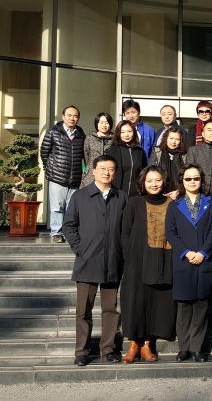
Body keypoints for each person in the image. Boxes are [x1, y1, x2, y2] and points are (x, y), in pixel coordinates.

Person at [62, 154, 127, 366]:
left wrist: (122, 251)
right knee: (83, 310)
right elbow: (69, 226)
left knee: (110, 309)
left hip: (113, 260)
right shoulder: (80, 196)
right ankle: (82, 350)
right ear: (93, 171)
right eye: (102, 169)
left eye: (111, 169)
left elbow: (126, 229)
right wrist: (80, 249)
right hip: (87, 260)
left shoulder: (121, 197)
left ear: (115, 173)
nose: (106, 172)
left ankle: (108, 348)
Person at [119, 166, 177, 363]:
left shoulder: (172, 203)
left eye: (158, 180)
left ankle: (146, 344)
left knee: (155, 302)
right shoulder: (134, 202)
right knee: (135, 301)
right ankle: (133, 344)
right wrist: (128, 255)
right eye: (149, 180)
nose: (154, 184)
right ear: (143, 182)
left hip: (164, 257)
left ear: (164, 182)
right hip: (137, 260)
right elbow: (125, 231)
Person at [165, 164, 212, 363]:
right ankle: (184, 348)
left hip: (204, 260)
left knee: (200, 306)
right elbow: (171, 232)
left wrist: (203, 252)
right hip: (184, 261)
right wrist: (187, 252)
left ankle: (197, 348)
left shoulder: (211, 203)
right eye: (188, 178)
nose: (192, 182)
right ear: (182, 181)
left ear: (201, 180)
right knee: (184, 306)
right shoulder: (174, 206)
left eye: (196, 178)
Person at [40, 105, 86, 243]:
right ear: (63, 116)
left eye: (75, 116)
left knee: (71, 207)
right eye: (69, 115)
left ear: (78, 118)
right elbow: (44, 152)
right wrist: (51, 167)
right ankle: (56, 232)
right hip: (57, 176)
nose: (72, 118)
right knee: (57, 207)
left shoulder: (80, 134)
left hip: (75, 177)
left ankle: (68, 232)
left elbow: (84, 155)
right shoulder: (54, 132)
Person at [186, 119, 212, 202]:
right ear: (203, 134)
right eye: (209, 130)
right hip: (198, 193)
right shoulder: (193, 151)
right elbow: (188, 174)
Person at [106, 120, 147, 196]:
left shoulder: (140, 152)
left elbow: (144, 173)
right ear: (118, 133)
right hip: (116, 195)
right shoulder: (111, 151)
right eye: (123, 132)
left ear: (134, 132)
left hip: (135, 195)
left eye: (129, 131)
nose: (126, 135)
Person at [150, 128, 186, 199]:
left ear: (181, 141)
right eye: (171, 138)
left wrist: (179, 191)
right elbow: (151, 172)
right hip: (159, 193)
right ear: (166, 138)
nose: (173, 142)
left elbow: (187, 177)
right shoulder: (157, 152)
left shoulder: (185, 155)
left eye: (177, 139)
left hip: (179, 194)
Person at [81, 113, 114, 189]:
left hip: (108, 175)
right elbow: (86, 157)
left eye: (107, 123)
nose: (104, 125)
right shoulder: (89, 138)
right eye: (101, 122)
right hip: (91, 176)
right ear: (97, 124)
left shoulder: (114, 139)